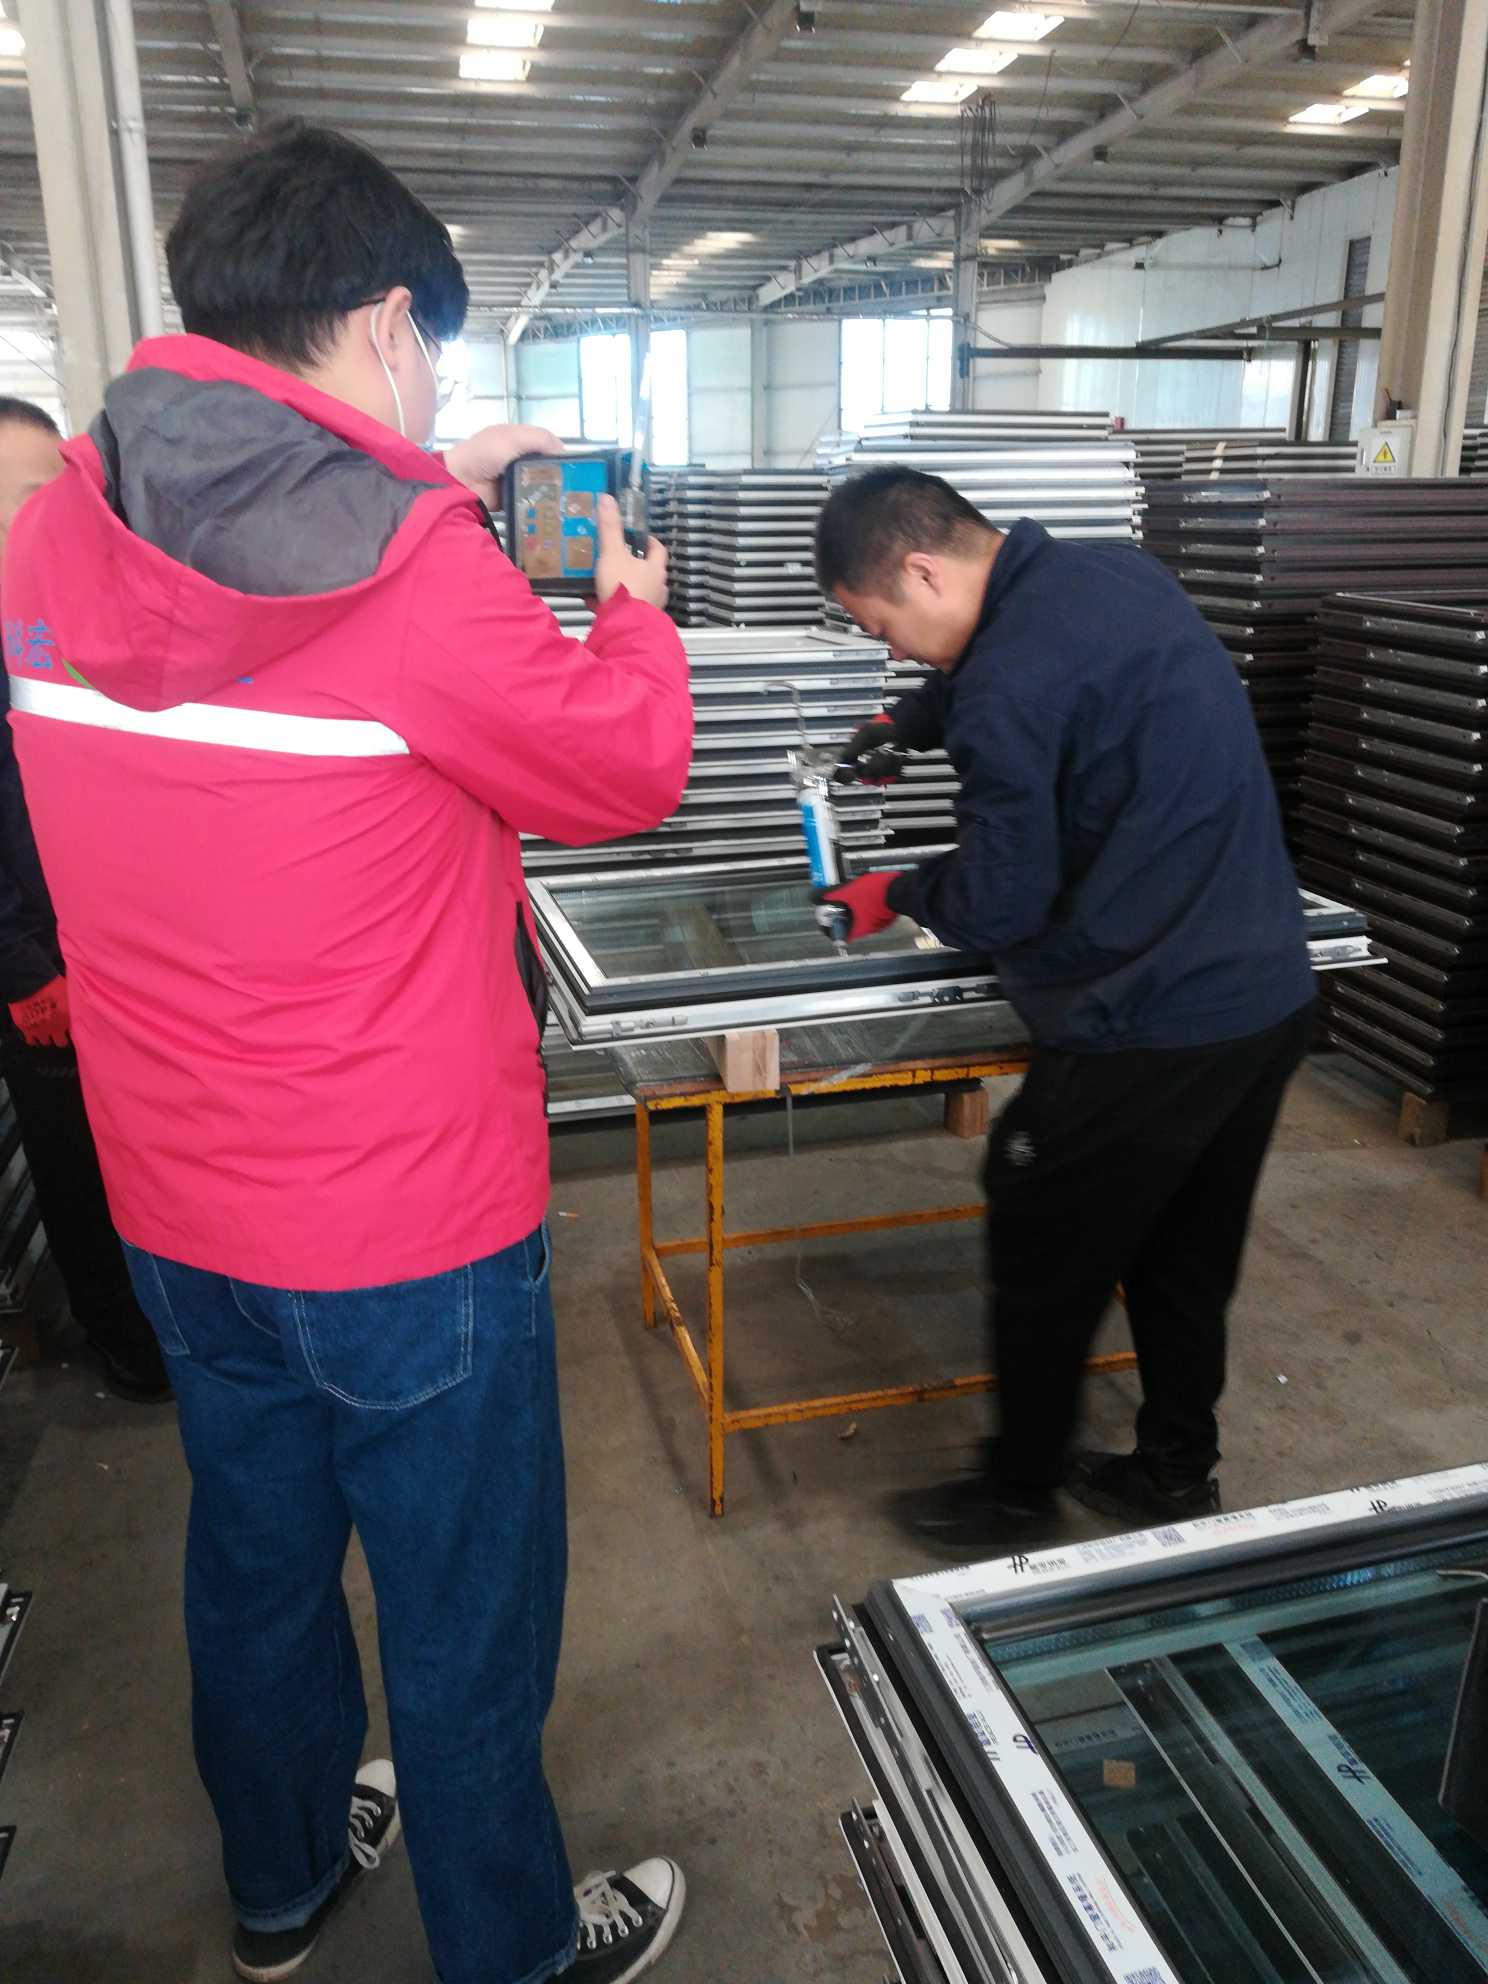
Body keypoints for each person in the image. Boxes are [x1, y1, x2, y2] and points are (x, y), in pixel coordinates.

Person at [1, 124, 693, 1984]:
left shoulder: (55, 529)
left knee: (255, 1564)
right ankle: (511, 1948)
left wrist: (424, 478)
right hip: (407, 1222)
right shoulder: (419, 574)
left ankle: (285, 1885)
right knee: (464, 1612)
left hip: (177, 1200)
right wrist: (628, 615)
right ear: (389, 323)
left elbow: (251, 581)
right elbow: (622, 768)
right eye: (433, 359)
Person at [816, 467, 1315, 1546]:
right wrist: (911, 717)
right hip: (1265, 995)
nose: (895, 650)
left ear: (922, 571)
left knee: (1041, 1225)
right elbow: (1039, 673)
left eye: (883, 627)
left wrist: (894, 891)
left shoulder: (1006, 687)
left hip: (1149, 1018)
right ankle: (1174, 1471)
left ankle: (1016, 1494)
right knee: (1184, 1252)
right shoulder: (1113, 576)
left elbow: (1003, 899)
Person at [0, 398, 170, 1401]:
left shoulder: (53, 629)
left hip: (111, 943)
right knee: (76, 1162)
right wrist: (23, 969)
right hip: (40, 971)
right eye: (26, 499)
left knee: (139, 1150)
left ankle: (164, 1319)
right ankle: (129, 1345)